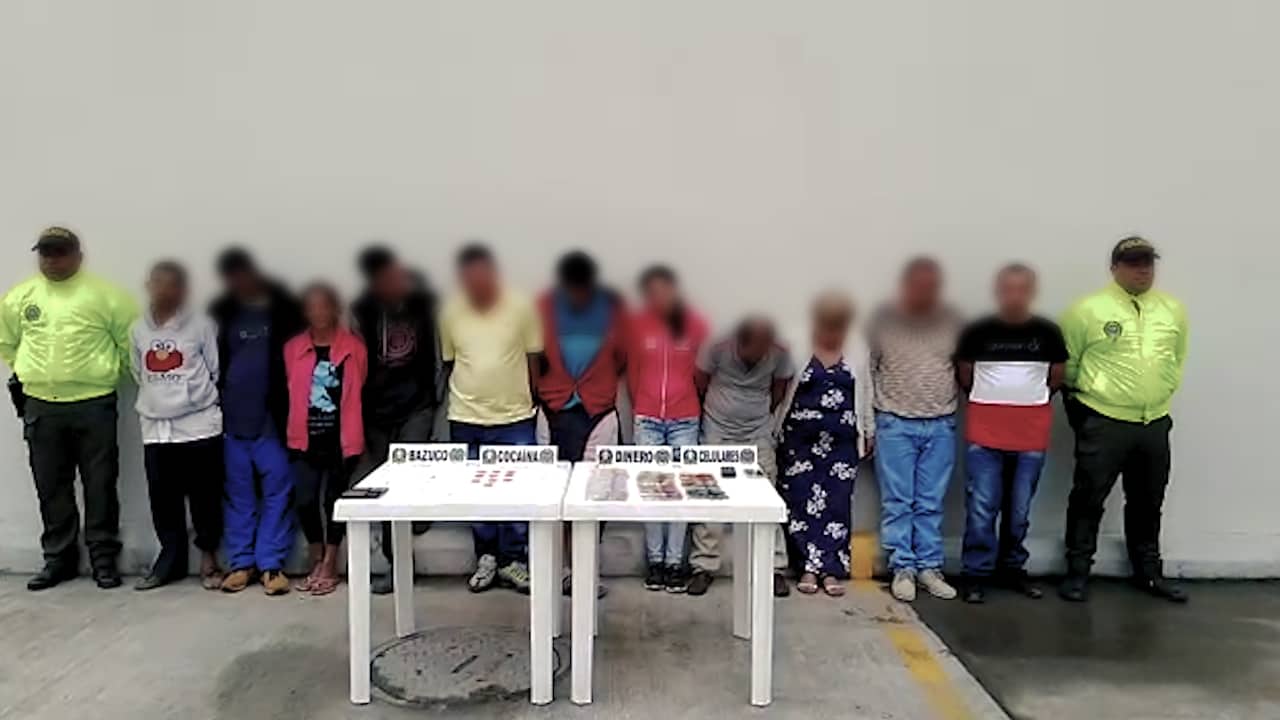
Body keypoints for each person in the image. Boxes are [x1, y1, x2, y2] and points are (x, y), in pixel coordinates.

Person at [0, 227, 137, 591]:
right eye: (45, 253)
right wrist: (33, 374)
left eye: (59, 253)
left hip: (94, 404)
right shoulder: (20, 297)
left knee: (100, 485)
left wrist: (105, 375)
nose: (52, 260)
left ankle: (103, 560)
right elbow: (6, 343)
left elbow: (129, 347)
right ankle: (59, 561)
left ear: (78, 255)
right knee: (51, 487)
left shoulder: (107, 296)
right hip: (41, 405)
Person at [1059, 237, 1189, 603]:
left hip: (1154, 422)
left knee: (1148, 501)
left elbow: (1176, 359)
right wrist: (1087, 413)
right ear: (1115, 268)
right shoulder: (1087, 310)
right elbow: (1068, 366)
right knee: (1088, 498)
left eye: (1147, 263)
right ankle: (1077, 572)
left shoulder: (1172, 310)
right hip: (1104, 420)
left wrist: (1160, 393)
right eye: (1133, 263)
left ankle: (1148, 573)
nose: (1142, 270)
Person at [954, 264, 1067, 604]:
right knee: (982, 507)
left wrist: (1027, 404)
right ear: (998, 291)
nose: (1015, 296)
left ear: (1032, 292)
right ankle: (975, 574)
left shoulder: (1048, 332)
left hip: (1030, 436)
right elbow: (965, 376)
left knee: (1019, 512)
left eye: (1022, 289)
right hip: (985, 434)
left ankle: (1012, 569)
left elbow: (1056, 378)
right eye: (1008, 289)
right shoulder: (977, 332)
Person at [439, 243, 542, 594]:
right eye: (469, 278)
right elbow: (450, 361)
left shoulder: (521, 306)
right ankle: (486, 558)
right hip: (466, 416)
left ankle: (514, 561)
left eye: (482, 276)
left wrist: (530, 399)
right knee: (475, 492)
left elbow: (533, 356)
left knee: (517, 490)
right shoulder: (450, 311)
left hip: (514, 418)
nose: (476, 284)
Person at [210, 248, 304, 596]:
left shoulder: (286, 310)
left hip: (272, 423)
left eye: (243, 274)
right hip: (232, 422)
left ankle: (271, 565)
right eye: (231, 277)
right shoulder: (222, 312)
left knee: (278, 492)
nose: (239, 282)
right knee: (238, 497)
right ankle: (241, 563)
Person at [870, 257, 964, 603]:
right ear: (905, 286)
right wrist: (869, 423)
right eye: (919, 285)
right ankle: (903, 568)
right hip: (894, 422)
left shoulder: (953, 321)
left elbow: (962, 368)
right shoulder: (883, 319)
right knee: (898, 502)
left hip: (940, 423)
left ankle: (929, 568)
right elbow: (869, 369)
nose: (925, 292)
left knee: (930, 502)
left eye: (932, 286)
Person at [130, 261, 226, 591]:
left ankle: (209, 558)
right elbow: (138, 372)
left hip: (199, 426)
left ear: (183, 290)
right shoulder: (137, 329)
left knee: (205, 499)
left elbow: (214, 369)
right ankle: (170, 560)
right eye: (157, 283)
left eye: (171, 284)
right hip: (156, 430)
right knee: (163, 500)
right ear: (148, 286)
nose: (163, 291)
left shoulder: (201, 326)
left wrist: (189, 398)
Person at [535, 251, 625, 598]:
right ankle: (557, 572)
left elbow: (622, 357)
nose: (577, 296)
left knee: (595, 494)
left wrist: (593, 386)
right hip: (554, 408)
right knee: (551, 495)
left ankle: (585, 573)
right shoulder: (544, 307)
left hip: (598, 411)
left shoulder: (613, 309)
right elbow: (535, 354)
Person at [350, 246, 439, 595]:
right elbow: (356, 364)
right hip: (377, 411)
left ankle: (417, 518)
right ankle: (398, 564)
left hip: (416, 406)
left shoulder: (423, 303)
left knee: (407, 480)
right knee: (388, 489)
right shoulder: (362, 310)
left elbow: (435, 355)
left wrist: (432, 399)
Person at [689, 316, 795, 598]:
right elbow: (699, 381)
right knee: (709, 496)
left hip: (757, 431)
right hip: (717, 429)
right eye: (754, 350)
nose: (760, 355)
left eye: (764, 349)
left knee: (768, 498)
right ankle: (703, 566)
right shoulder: (716, 346)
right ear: (739, 341)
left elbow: (780, 388)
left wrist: (760, 415)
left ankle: (774, 568)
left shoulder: (780, 352)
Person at [779, 293, 872, 597]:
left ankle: (831, 569)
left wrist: (869, 429)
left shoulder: (858, 348)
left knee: (837, 503)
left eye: (838, 326)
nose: (832, 332)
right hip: (799, 440)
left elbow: (865, 391)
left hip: (841, 442)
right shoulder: (797, 344)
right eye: (827, 325)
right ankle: (806, 567)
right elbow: (782, 387)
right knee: (800, 500)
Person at [627, 265, 708, 593]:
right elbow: (633, 372)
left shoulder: (695, 324)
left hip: (684, 419)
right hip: (647, 418)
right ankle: (655, 560)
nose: (659, 297)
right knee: (651, 489)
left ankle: (675, 562)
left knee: (681, 489)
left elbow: (702, 373)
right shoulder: (637, 324)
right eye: (652, 292)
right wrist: (642, 405)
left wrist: (686, 400)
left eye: (664, 290)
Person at [285, 283, 368, 597]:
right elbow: (288, 388)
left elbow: (360, 384)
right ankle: (316, 557)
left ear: (335, 309)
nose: (318, 313)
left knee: (335, 501)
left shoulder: (353, 347)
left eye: (324, 306)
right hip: (305, 438)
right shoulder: (293, 348)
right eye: (312, 307)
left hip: (341, 438)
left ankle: (331, 563)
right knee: (304, 500)